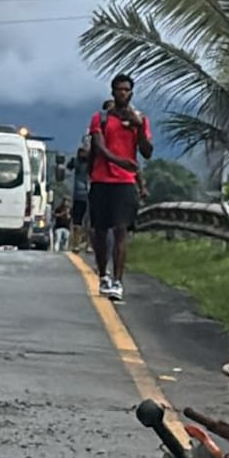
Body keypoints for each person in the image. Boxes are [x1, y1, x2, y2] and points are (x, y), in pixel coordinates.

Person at [87, 74, 152, 304]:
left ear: (131, 93)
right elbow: (99, 148)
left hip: (125, 182)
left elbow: (146, 151)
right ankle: (103, 274)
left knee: (121, 231)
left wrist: (139, 127)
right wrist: (120, 161)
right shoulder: (101, 118)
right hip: (101, 180)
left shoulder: (140, 119)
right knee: (100, 231)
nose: (123, 93)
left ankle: (117, 281)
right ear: (112, 92)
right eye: (119, 89)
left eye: (126, 89)